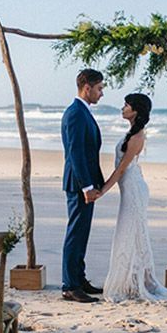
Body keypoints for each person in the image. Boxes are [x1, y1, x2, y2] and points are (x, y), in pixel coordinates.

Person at [98, 93, 167, 302]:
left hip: (134, 190)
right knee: (129, 234)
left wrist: (102, 190)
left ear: (136, 110)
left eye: (127, 105)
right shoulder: (131, 133)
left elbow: (121, 170)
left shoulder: (137, 137)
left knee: (129, 234)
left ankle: (134, 283)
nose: (123, 107)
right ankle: (131, 282)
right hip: (131, 187)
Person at [61, 68, 106, 303]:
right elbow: (76, 153)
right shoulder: (76, 113)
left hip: (85, 183)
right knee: (75, 233)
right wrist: (87, 186)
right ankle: (70, 285)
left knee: (82, 234)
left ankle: (79, 279)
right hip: (79, 184)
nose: (101, 94)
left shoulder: (82, 111)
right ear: (86, 87)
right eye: (99, 89)